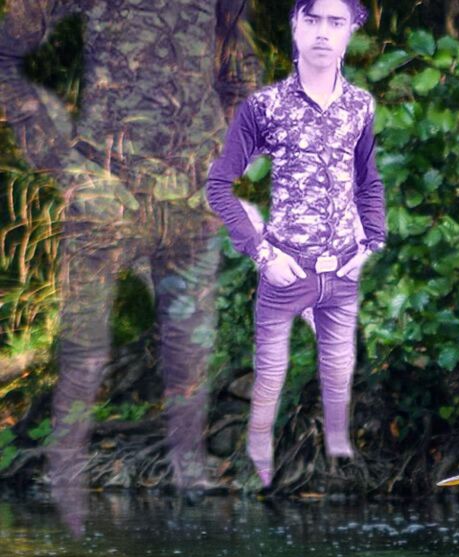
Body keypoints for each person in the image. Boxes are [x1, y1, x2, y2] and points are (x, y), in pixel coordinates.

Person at [0, 0, 261, 498]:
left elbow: (240, 72)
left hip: (187, 201)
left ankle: (191, 479)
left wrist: (221, 163)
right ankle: (61, 483)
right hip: (104, 196)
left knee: (191, 350)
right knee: (83, 355)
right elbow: (6, 58)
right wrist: (68, 169)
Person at [207, 0, 386, 488]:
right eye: (312, 20)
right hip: (286, 267)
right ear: (295, 26)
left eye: (336, 22)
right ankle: (260, 463)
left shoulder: (360, 107)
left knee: (340, 369)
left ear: (350, 33)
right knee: (270, 373)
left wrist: (371, 244)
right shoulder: (265, 108)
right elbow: (219, 186)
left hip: (343, 269)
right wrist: (262, 253)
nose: (323, 33)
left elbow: (368, 181)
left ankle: (341, 466)